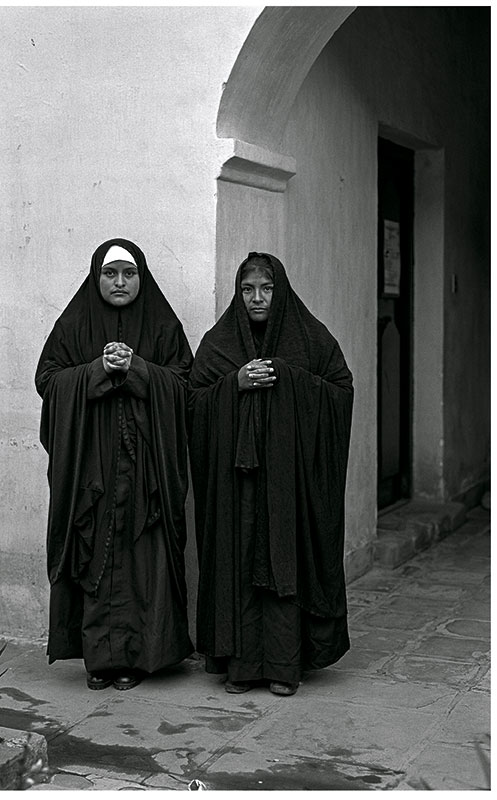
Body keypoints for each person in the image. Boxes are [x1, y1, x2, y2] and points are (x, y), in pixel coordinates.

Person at [188, 252, 353, 696]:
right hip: (235, 487)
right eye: (247, 290)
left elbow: (340, 390)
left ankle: (283, 666)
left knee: (285, 562)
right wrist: (234, 384)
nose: (256, 298)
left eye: (266, 289)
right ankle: (240, 667)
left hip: (288, 486)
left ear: (280, 291)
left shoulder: (309, 337)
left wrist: (291, 380)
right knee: (237, 563)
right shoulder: (219, 341)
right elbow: (193, 402)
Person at [35, 238, 194, 690]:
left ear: (141, 278)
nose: (120, 282)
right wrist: (95, 371)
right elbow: (48, 379)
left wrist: (141, 369)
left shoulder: (162, 325)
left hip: (147, 471)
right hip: (93, 471)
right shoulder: (74, 324)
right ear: (96, 278)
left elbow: (186, 383)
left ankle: (139, 658)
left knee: (143, 556)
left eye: (128, 274)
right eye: (110, 274)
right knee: (94, 556)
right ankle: (99, 660)